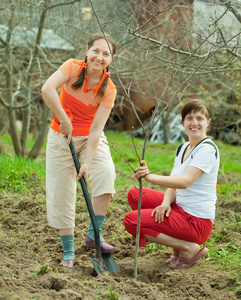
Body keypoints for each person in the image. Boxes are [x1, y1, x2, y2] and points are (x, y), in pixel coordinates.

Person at [41, 33, 117, 268]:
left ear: (111, 60)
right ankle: (68, 251)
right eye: (96, 51)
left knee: (105, 172)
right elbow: (47, 89)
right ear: (87, 50)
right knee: (63, 191)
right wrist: (64, 119)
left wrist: (87, 161)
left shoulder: (108, 90)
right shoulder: (71, 68)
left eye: (106, 54)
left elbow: (96, 130)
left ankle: (94, 233)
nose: (99, 57)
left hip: (89, 138)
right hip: (61, 137)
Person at [124, 99, 220, 269]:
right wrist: (165, 203)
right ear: (183, 122)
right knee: (135, 194)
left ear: (208, 122)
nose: (194, 123)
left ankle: (187, 247)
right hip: (180, 209)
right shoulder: (183, 148)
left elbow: (185, 181)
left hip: (196, 222)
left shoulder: (207, 149)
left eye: (200, 118)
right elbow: (174, 183)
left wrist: (151, 177)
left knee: (132, 221)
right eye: (189, 118)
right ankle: (178, 246)